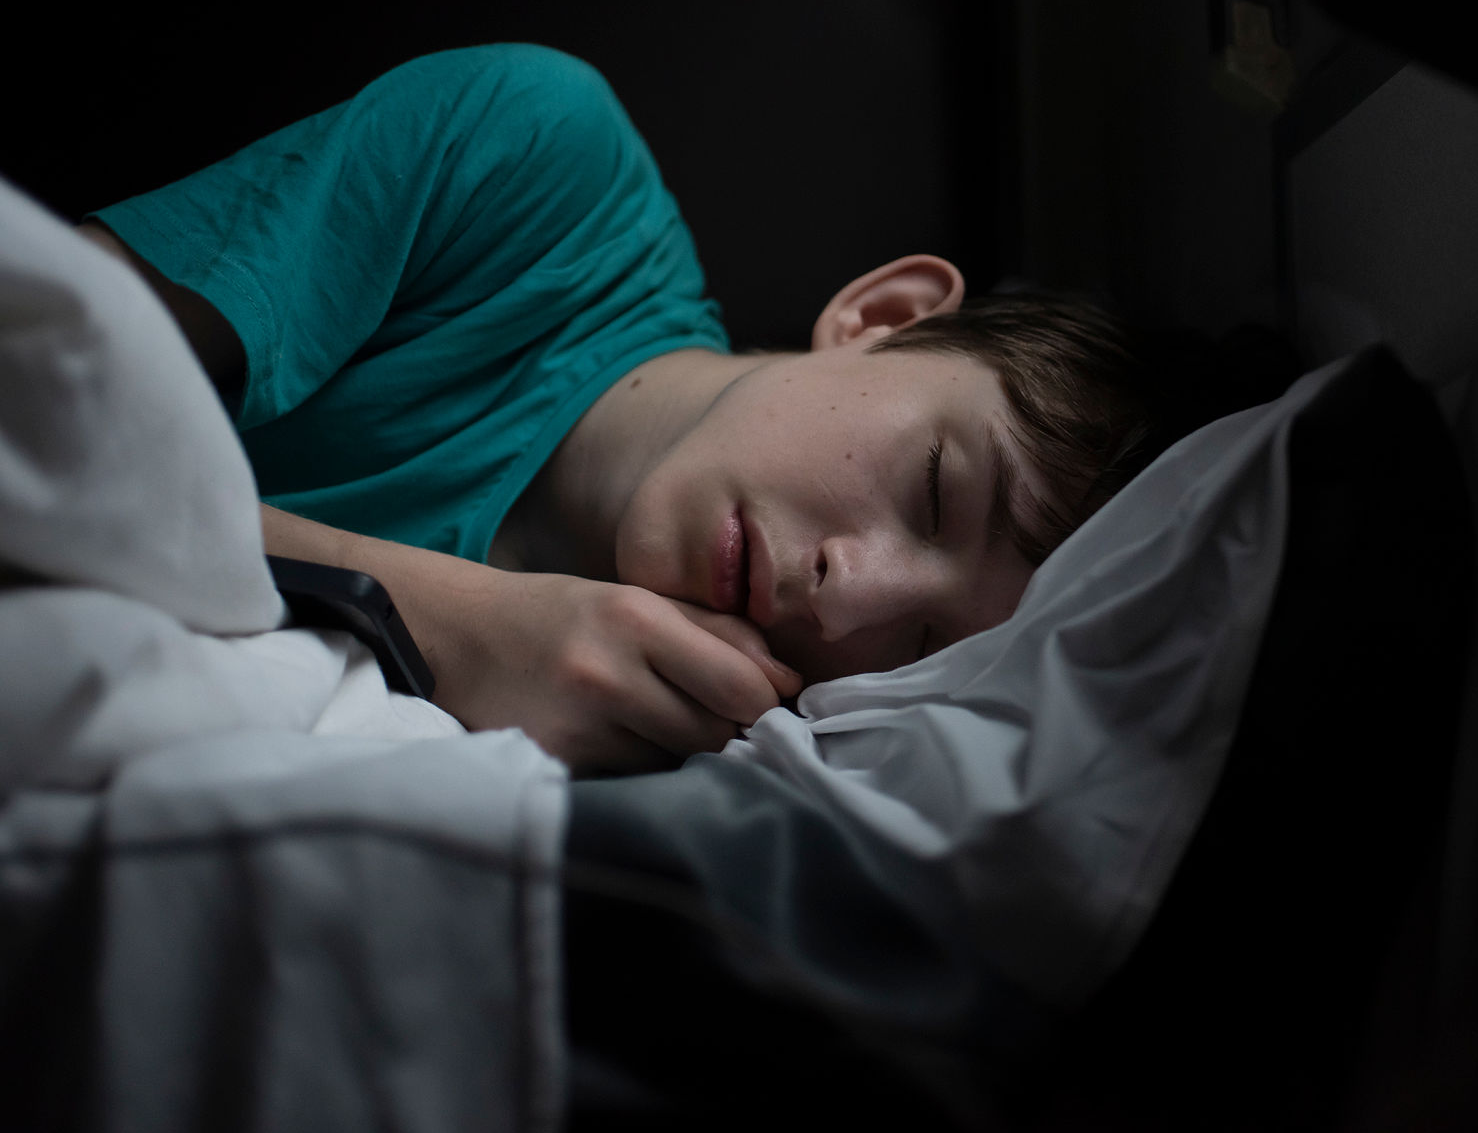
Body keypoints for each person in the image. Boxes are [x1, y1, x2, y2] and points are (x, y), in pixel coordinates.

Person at [77, 43, 1150, 775]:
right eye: (931, 492)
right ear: (882, 315)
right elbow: (34, 401)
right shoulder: (530, 166)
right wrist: (448, 620)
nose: (844, 601)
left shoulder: (687, 742)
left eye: (919, 644)